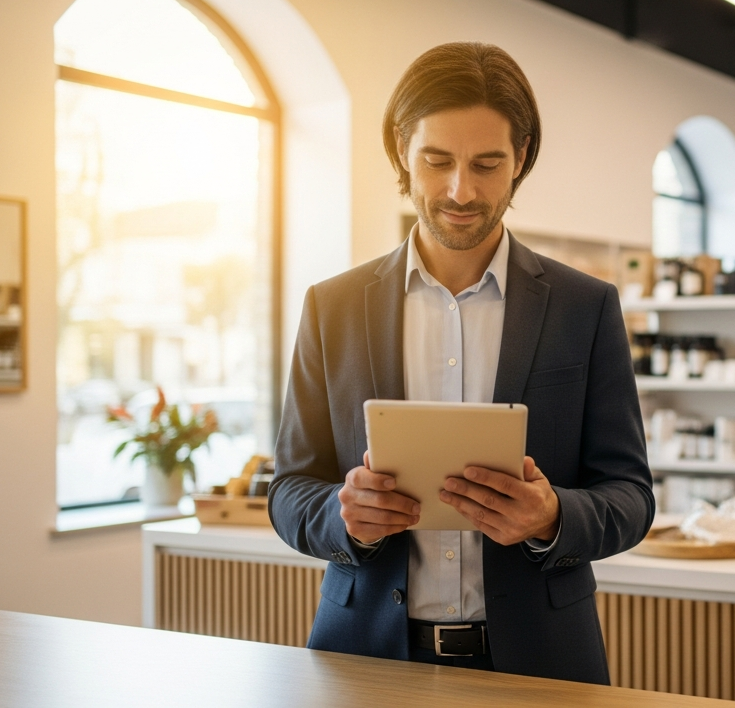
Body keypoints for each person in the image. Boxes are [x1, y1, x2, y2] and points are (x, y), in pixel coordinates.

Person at [269, 42, 653, 684]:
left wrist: (553, 516)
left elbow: (631, 495)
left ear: (521, 158)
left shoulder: (586, 307)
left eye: (487, 164)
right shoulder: (330, 306)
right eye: (437, 160)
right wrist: (344, 513)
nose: (460, 190)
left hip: (541, 665)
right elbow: (288, 490)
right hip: (364, 658)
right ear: (401, 152)